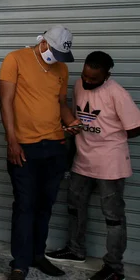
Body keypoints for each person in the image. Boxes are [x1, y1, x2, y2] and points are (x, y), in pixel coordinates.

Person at [46, 52, 140, 280]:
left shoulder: (117, 93)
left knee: (113, 217)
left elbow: (135, 127)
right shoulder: (79, 84)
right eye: (85, 76)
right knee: (75, 207)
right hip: (82, 160)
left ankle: (114, 268)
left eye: (93, 79)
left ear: (107, 75)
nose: (87, 81)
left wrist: (108, 136)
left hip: (111, 164)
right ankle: (75, 250)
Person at [0, 25, 82, 280]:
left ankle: (38, 255)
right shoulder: (15, 59)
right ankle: (20, 263)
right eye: (54, 52)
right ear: (43, 43)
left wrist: (72, 122)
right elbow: (5, 102)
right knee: (25, 205)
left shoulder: (62, 68)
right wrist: (12, 141)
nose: (57, 59)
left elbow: (60, 104)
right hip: (24, 147)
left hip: (55, 147)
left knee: (45, 206)